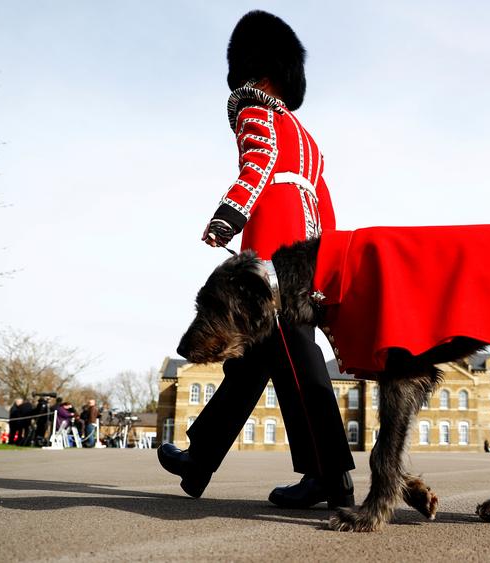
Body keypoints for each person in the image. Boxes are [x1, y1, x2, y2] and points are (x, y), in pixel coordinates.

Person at [158, 10, 355, 509]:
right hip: (309, 244)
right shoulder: (308, 137)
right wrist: (328, 259)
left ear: (253, 69)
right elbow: (324, 199)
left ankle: (329, 474)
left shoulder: (255, 110)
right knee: (251, 358)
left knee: (291, 349)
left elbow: (259, 163)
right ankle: (199, 460)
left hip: (274, 237)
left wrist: (229, 213)